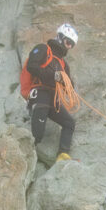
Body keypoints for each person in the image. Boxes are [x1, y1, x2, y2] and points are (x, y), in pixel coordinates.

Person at [23, 23, 78, 160]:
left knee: (69, 123)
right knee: (38, 134)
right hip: (40, 93)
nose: (69, 46)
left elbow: (69, 85)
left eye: (72, 44)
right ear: (60, 37)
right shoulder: (43, 49)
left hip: (53, 98)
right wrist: (53, 76)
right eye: (68, 42)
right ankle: (26, 155)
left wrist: (64, 81)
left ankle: (63, 153)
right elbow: (32, 66)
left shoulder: (63, 64)